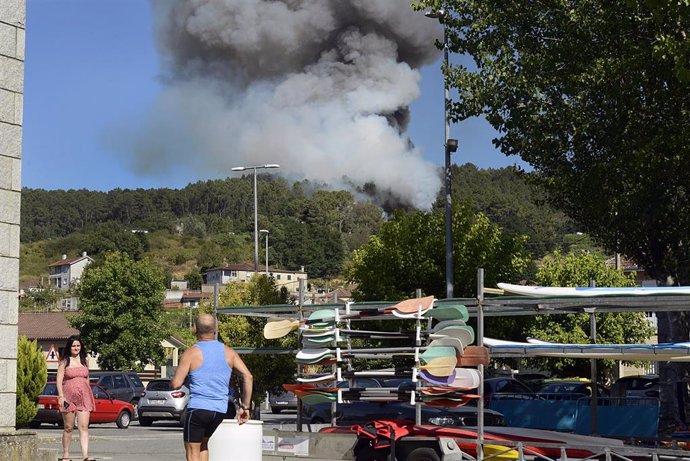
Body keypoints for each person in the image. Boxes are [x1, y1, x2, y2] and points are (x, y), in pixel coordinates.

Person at [172, 314, 253, 461]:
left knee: (192, 452)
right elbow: (248, 377)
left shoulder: (191, 352)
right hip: (219, 410)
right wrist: (245, 407)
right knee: (203, 445)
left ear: (194, 329)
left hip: (198, 409)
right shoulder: (229, 352)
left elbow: (176, 384)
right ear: (215, 329)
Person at [56, 335, 96, 461]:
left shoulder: (85, 359)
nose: (76, 348)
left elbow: (87, 377)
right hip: (68, 397)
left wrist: (87, 390)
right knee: (68, 427)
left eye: (78, 345)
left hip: (84, 397)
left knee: (83, 427)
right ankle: (66, 455)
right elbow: (58, 380)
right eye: (73, 345)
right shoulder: (64, 361)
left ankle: (85, 456)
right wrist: (61, 396)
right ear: (69, 347)